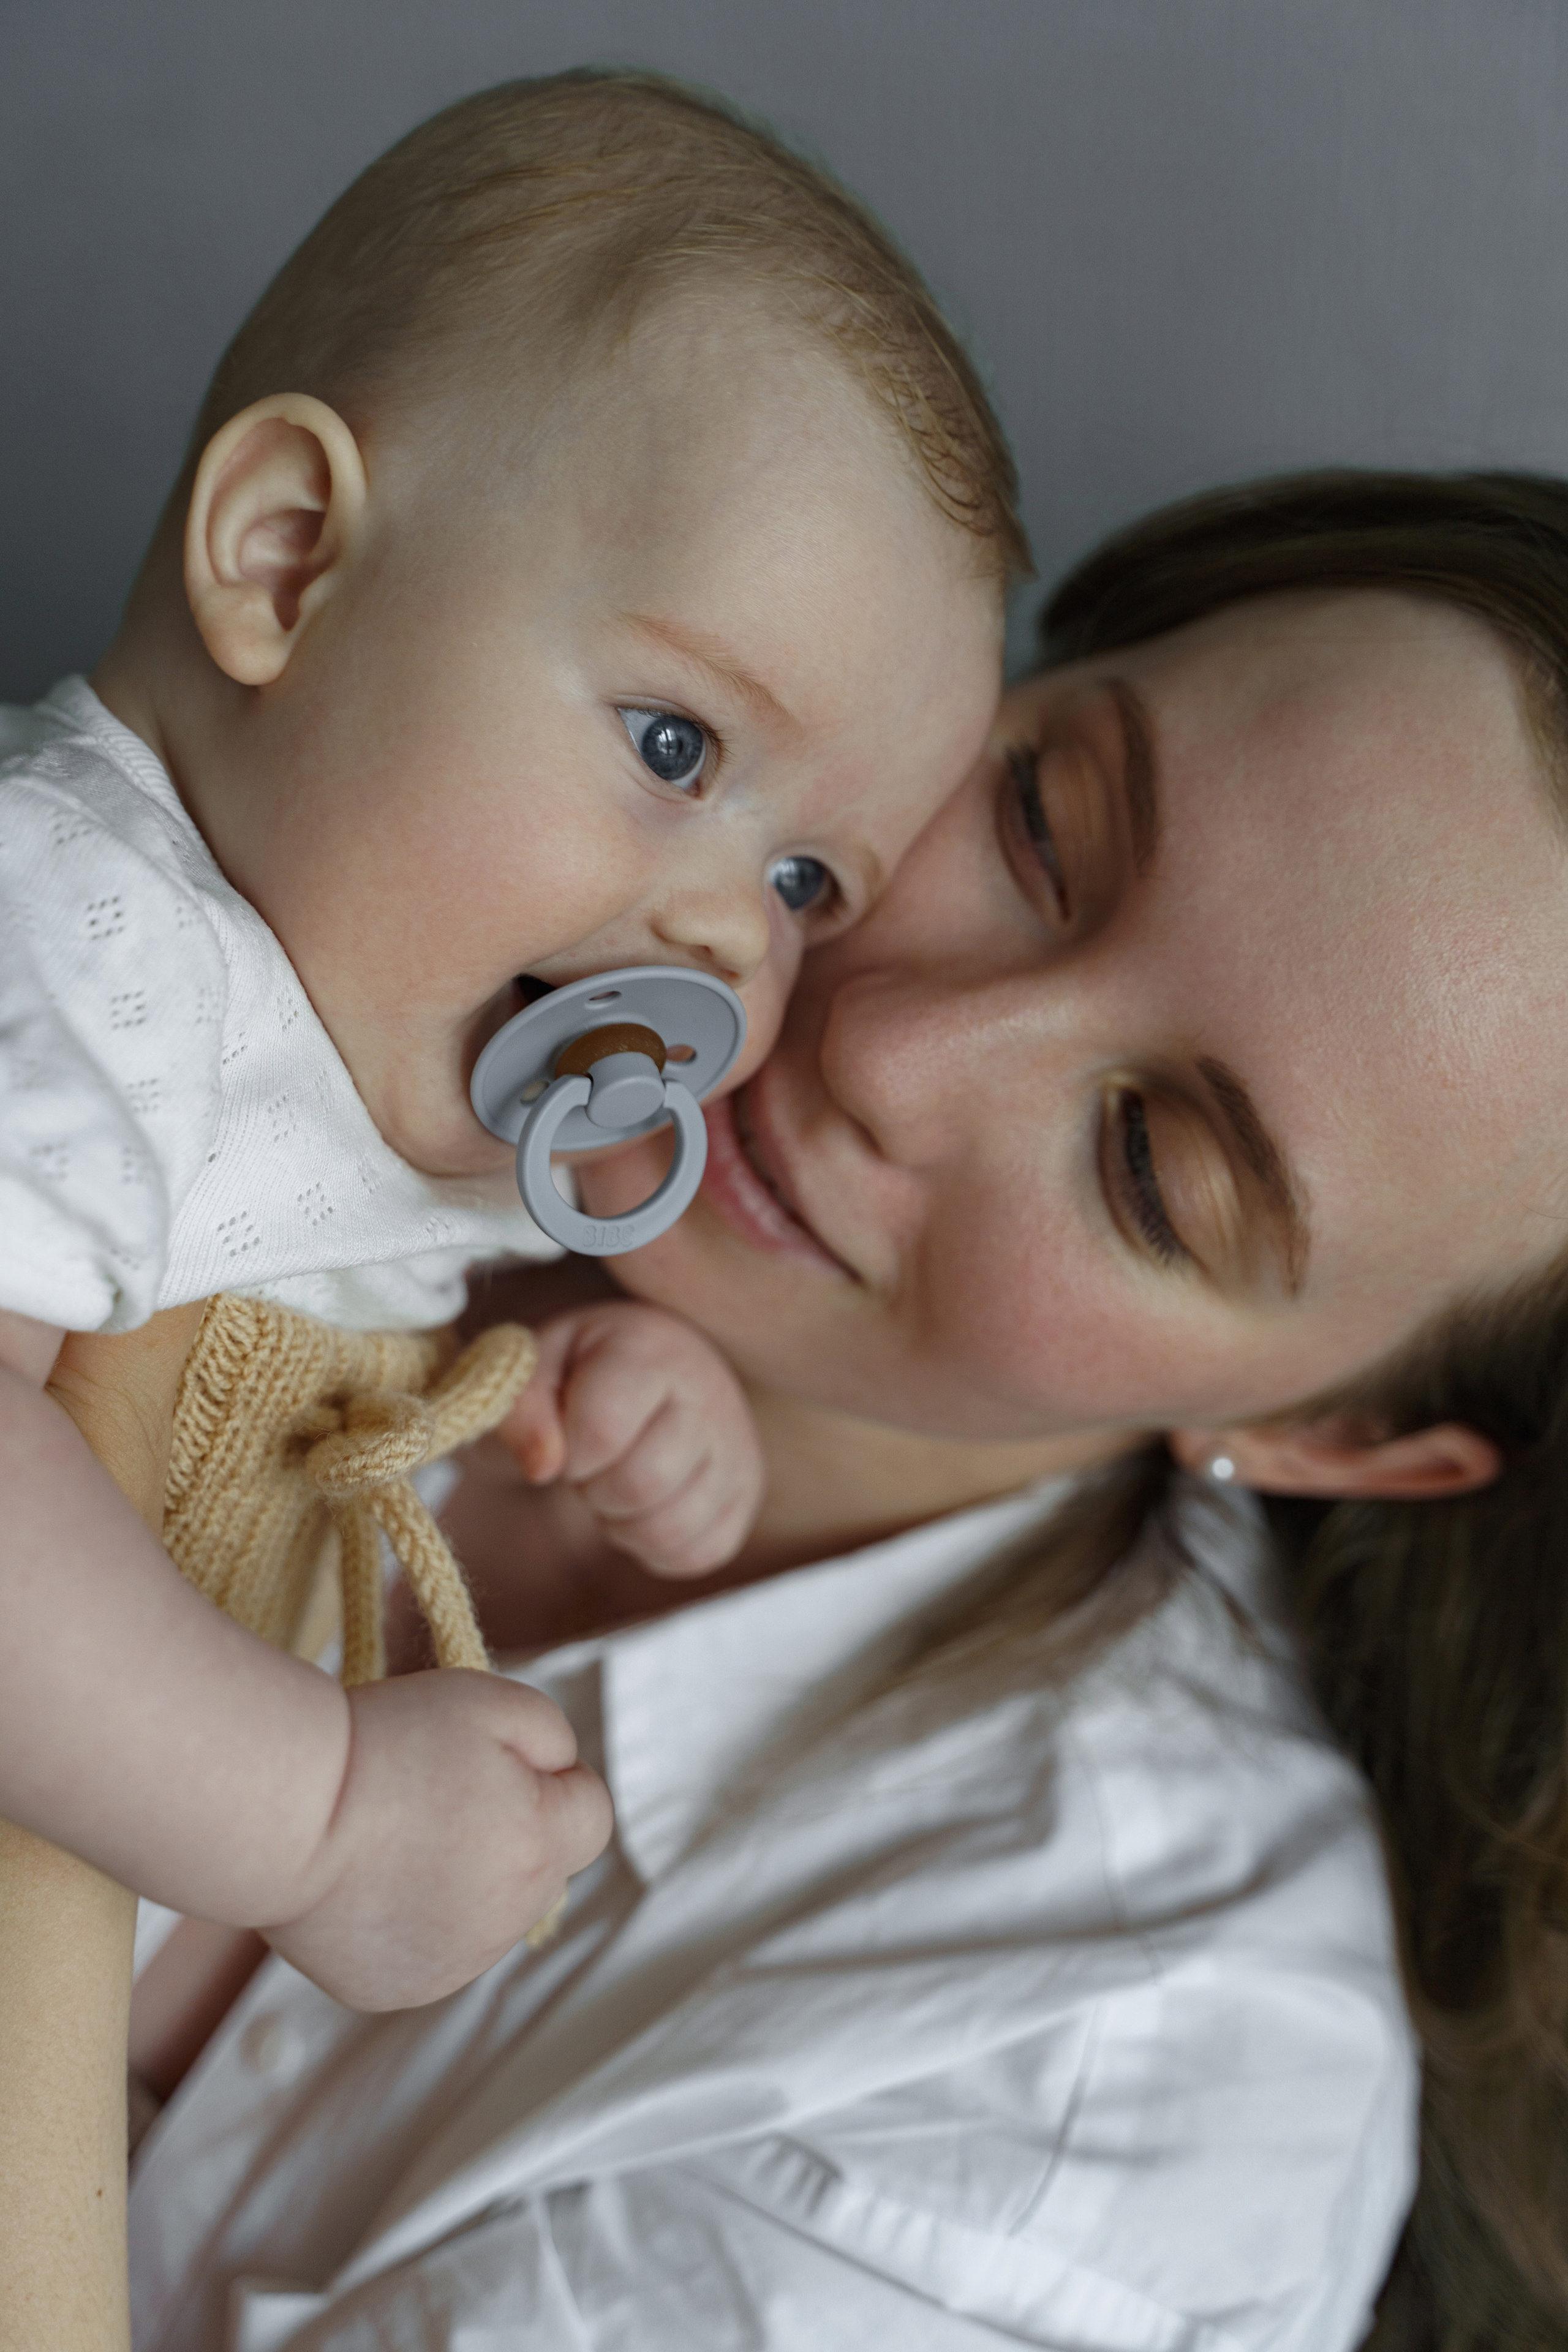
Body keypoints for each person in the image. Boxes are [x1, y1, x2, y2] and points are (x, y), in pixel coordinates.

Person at [126, 471, 1568, 2352]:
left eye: (1151, 1175)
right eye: (1039, 822)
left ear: (1334, 1439)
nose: (890, 1049)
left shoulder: (1101, 2106)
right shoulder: (240, 868)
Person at [0, 70, 1019, 2010]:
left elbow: (254, 1405)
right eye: (675, 745)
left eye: (808, 882)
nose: (733, 933)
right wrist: (309, 1818)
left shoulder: (371, 1075)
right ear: (288, 559)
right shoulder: (77, 928)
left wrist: (549, 1408)